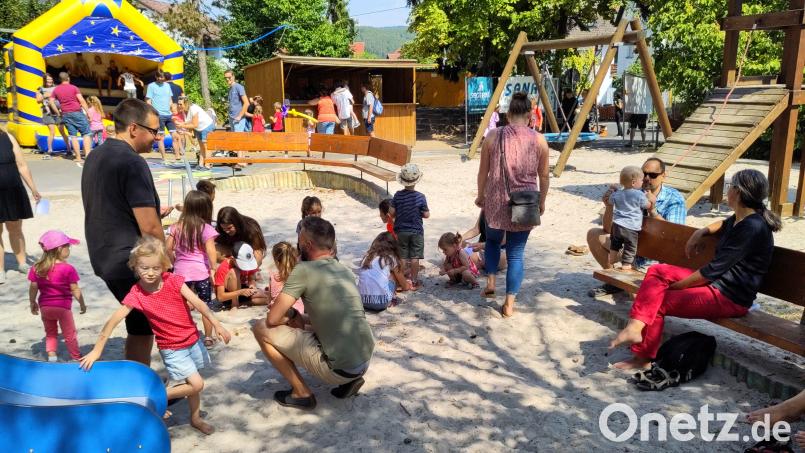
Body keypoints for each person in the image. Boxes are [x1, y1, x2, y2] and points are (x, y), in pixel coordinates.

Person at [608, 169, 781, 369]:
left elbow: (711, 272)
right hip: (717, 282)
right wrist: (701, 231)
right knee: (657, 271)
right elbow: (724, 224)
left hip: (730, 296)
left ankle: (643, 358)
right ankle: (634, 328)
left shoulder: (752, 227)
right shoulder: (742, 217)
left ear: (738, 192)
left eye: (730, 186)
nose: (727, 190)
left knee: (659, 300)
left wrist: (679, 286)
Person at [80, 236, 231, 435]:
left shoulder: (173, 280)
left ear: (164, 266)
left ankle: (195, 418)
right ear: (135, 267)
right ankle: (150, 398)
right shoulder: (137, 293)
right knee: (197, 384)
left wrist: (217, 324)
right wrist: (97, 350)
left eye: (156, 268)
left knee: (192, 383)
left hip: (192, 340)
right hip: (172, 347)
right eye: (144, 268)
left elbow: (199, 303)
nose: (150, 273)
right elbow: (113, 321)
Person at [252, 216, 375, 410]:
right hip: (363, 361)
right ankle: (349, 382)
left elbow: (273, 318)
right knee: (317, 325)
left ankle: (301, 393)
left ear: (307, 245)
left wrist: (293, 315)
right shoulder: (344, 270)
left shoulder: (303, 270)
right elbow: (329, 319)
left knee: (260, 328)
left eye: (299, 242)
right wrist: (298, 317)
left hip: (339, 369)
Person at [81, 98, 168, 366]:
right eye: (153, 131)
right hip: (128, 259)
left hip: (102, 255)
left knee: (138, 323)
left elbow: (111, 203)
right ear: (133, 129)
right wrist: (167, 262)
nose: (157, 137)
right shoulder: (132, 162)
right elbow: (149, 227)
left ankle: (134, 377)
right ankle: (137, 381)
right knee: (148, 325)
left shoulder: (95, 155)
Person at [475, 91, 550, 318]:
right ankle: (509, 304)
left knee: (492, 242)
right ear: (530, 116)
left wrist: (480, 195)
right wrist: (542, 201)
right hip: (526, 201)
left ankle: (490, 281)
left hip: (496, 199)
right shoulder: (539, 140)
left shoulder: (492, 136)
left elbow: (483, 172)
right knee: (516, 254)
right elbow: (544, 175)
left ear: (507, 115)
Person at [586, 157, 687, 297]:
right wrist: (609, 206)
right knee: (594, 234)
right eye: (644, 173)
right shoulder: (631, 191)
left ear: (663, 175)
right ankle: (616, 282)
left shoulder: (674, 199)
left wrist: (653, 211)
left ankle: (625, 282)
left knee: (639, 297)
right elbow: (609, 229)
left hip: (653, 257)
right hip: (631, 248)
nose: (647, 178)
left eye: (652, 175)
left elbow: (674, 236)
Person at [167, 191, 219, 345]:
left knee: (182, 306)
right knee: (205, 305)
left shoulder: (176, 227)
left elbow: (167, 248)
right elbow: (211, 251)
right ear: (206, 209)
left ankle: (186, 334)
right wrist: (213, 269)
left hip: (180, 273)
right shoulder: (206, 228)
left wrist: (174, 261)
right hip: (201, 273)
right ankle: (208, 337)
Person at [28, 230, 86, 361]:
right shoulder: (68, 268)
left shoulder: (37, 268)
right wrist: (82, 303)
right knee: (70, 334)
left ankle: (52, 356)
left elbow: (33, 287)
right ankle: (76, 357)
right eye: (68, 246)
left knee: (50, 333)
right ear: (60, 249)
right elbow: (75, 289)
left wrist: (32, 302)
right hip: (63, 308)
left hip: (45, 307)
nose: (69, 249)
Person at [0, 127, 41, 284]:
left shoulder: (8, 137)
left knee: (15, 228)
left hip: (13, 190)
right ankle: (0, 270)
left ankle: (22, 263)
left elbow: (22, 165)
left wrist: (33, 188)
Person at [607, 166, 652, 272]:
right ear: (633, 182)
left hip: (616, 225)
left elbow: (610, 201)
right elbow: (647, 206)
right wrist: (649, 199)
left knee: (615, 243)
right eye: (641, 180)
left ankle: (612, 258)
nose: (643, 182)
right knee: (630, 246)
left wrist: (613, 191)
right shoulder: (639, 194)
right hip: (631, 227)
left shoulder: (618, 193)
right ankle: (626, 264)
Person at [392, 163, 429, 289]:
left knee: (402, 256)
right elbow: (426, 214)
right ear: (416, 180)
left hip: (401, 230)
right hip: (416, 231)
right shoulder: (420, 197)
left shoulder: (397, 195)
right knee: (415, 257)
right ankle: (413, 280)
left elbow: (391, 212)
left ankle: (401, 278)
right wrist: (420, 213)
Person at [49, 72, 92, 166]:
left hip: (65, 114)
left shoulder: (56, 89)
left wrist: (58, 112)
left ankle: (78, 157)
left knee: (73, 136)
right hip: (77, 112)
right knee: (86, 134)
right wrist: (88, 113)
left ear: (60, 80)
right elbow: (82, 100)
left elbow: (51, 102)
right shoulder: (74, 88)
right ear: (68, 78)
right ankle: (88, 156)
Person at [358, 232, 409, 312]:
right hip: (381, 303)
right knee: (393, 274)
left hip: (362, 301)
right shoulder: (390, 258)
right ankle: (392, 298)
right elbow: (405, 286)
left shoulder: (367, 257)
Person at [213, 241, 269, 308]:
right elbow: (220, 297)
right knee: (234, 271)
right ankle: (234, 304)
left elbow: (251, 279)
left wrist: (252, 285)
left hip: (242, 291)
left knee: (267, 297)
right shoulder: (223, 268)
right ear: (233, 259)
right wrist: (240, 292)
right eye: (243, 264)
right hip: (228, 296)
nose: (246, 266)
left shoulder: (248, 261)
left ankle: (242, 303)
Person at [36, 74, 72, 155]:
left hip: (57, 111)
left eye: (51, 79)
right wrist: (44, 95)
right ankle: (50, 150)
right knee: (52, 131)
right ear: (44, 80)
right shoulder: (40, 89)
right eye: (48, 79)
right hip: (47, 112)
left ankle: (69, 149)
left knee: (62, 131)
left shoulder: (57, 88)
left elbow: (62, 97)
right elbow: (38, 100)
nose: (49, 81)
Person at [145, 70, 176, 163]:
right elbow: (148, 100)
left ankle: (177, 157)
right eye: (158, 77)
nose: (160, 79)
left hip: (168, 114)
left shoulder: (167, 85)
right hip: (158, 114)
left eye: (162, 77)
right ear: (156, 77)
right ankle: (164, 158)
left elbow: (170, 99)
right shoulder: (151, 86)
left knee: (175, 135)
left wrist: (172, 108)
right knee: (161, 137)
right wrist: (152, 113)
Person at [267, 242, 304, 314]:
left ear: (276, 261)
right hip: (298, 312)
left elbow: (269, 300)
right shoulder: (299, 274)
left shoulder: (273, 277)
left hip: (279, 313)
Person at [177, 98, 215, 169]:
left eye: (180, 104)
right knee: (201, 146)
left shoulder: (193, 109)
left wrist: (182, 125)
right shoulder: (185, 110)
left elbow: (194, 124)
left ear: (186, 104)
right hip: (199, 128)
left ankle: (207, 164)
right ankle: (201, 164)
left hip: (206, 126)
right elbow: (189, 121)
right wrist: (183, 126)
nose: (179, 106)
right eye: (178, 104)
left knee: (206, 146)